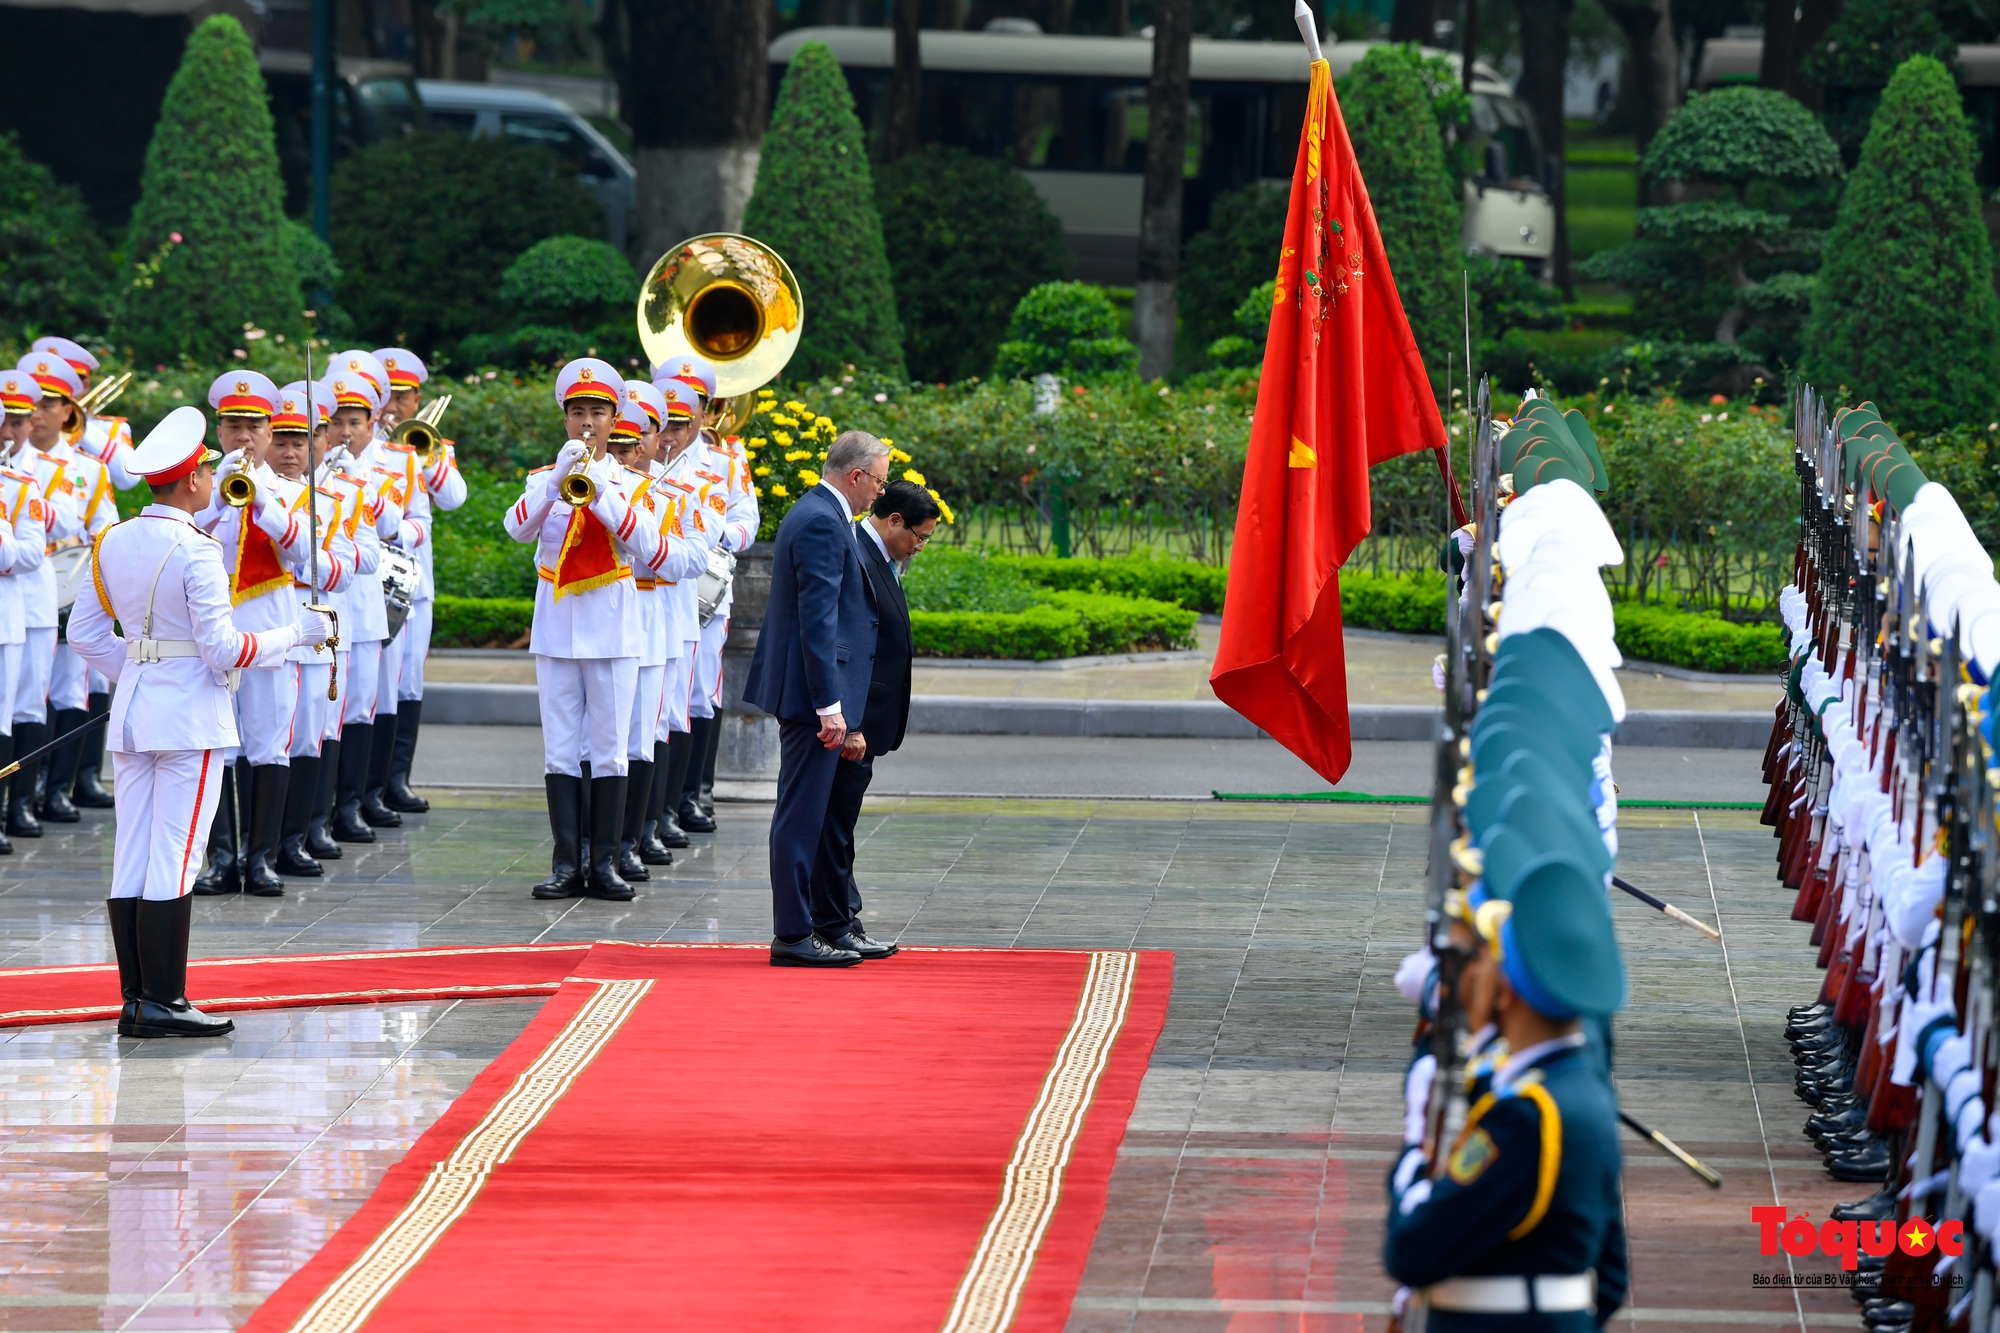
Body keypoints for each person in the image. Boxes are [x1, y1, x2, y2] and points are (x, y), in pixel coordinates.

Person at [67, 406, 331, 1039]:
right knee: (178, 855)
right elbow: (222, 650)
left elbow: (83, 636)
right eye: (207, 472)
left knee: (133, 851)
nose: (213, 479)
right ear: (191, 481)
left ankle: (136, 998)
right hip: (188, 715)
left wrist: (138, 668)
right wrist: (296, 633)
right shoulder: (197, 548)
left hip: (134, 713)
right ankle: (165, 999)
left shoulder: (113, 539)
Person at [1385, 856, 1629, 1331]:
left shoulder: (1525, 1116)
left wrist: (1416, 1139)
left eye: (1479, 959)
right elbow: (1611, 1276)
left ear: (1507, 989)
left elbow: (1411, 1251)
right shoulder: (1582, 1091)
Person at [505, 358, 710, 901]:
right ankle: (567, 862)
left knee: (612, 748)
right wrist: (556, 480)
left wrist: (602, 488)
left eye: (598, 411)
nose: (588, 423)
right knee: (561, 750)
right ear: (565, 418)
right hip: (556, 629)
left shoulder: (633, 486)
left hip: (616, 630)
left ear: (615, 415)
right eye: (578, 412)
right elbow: (517, 528)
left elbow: (648, 545)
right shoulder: (543, 478)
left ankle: (607, 861)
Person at [743, 429, 887, 968]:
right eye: (878, 480)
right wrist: (831, 706)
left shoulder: (820, 513)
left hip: (812, 694)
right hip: (811, 698)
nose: (880, 491)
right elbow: (817, 623)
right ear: (855, 476)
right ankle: (794, 935)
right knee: (800, 818)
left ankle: (821, 926)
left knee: (812, 815)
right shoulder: (824, 522)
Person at [190, 371, 325, 896]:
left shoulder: (293, 491)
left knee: (269, 748)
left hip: (271, 633)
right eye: (233, 426)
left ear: (271, 432)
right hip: (214, 637)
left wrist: (261, 502)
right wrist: (220, 502)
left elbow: (305, 555)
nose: (243, 437)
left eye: (254, 427)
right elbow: (182, 544)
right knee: (218, 749)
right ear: (219, 431)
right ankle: (221, 858)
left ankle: (260, 859)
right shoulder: (200, 490)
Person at [807, 479, 937, 959]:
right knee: (834, 828)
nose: (919, 547)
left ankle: (845, 918)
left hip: (866, 720)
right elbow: (844, 647)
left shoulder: (882, 556)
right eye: (918, 537)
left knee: (841, 826)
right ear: (894, 520)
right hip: (849, 722)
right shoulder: (857, 551)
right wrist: (852, 722)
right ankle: (835, 924)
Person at [374, 348, 465, 816]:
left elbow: (453, 498)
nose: (393, 406)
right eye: (385, 396)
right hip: (368, 580)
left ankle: (397, 780)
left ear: (417, 400)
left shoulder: (430, 445)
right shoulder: (353, 447)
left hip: (413, 582)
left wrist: (425, 454)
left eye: (402, 397)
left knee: (408, 680)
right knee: (377, 686)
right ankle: (369, 786)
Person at [278, 381, 363, 875]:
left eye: (302, 442)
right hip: (259, 632)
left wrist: (294, 560)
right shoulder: (234, 493)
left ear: (320, 442)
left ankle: (295, 838)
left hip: (310, 633)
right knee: (257, 745)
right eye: (283, 441)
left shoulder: (334, 499)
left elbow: (343, 571)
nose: (291, 453)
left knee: (308, 736)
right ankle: (250, 845)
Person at [7, 353, 83, 838]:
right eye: (7, 420)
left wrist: (25, 502)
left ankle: (21, 802)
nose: (14, 430)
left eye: (21, 420)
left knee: (29, 705)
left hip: (31, 596)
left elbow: (70, 521)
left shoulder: (49, 466)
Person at [0, 372, 48, 853]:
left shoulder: (17, 486)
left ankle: (15, 804)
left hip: (8, 615)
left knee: (13, 711)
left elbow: (32, 553)